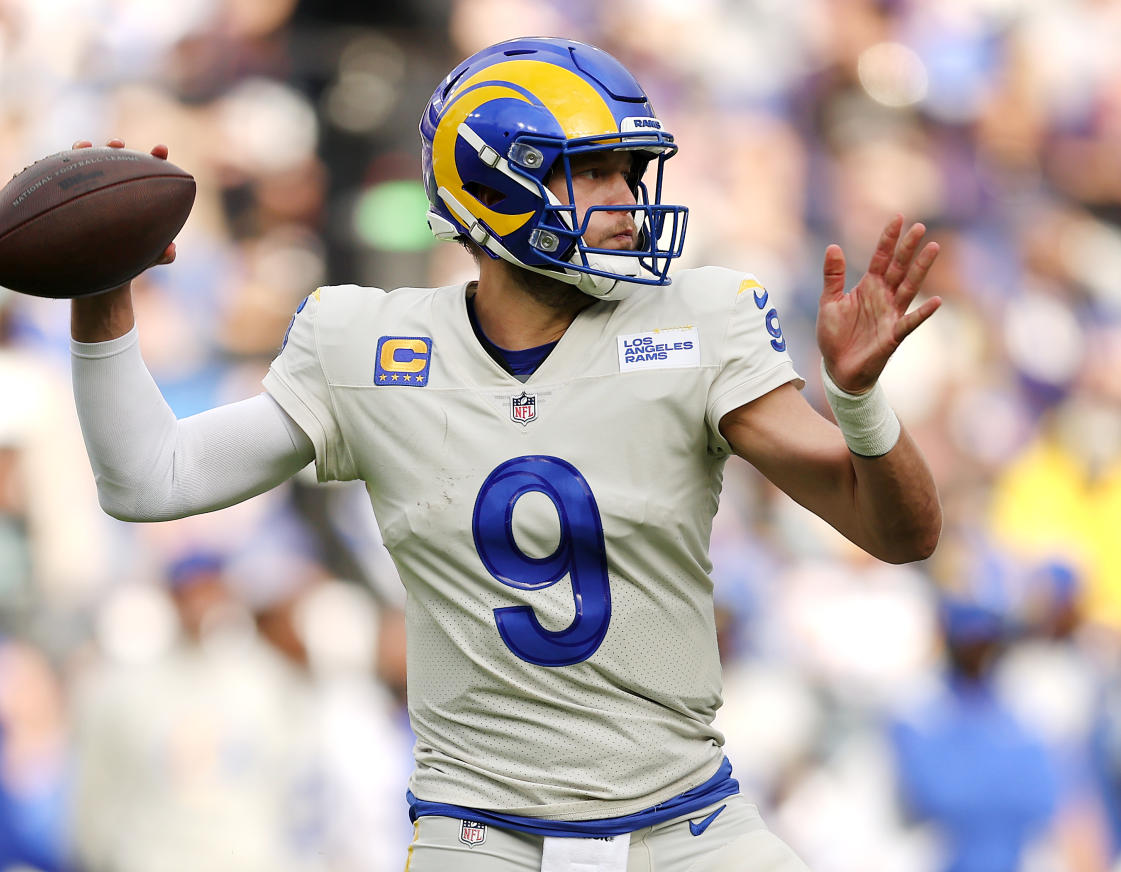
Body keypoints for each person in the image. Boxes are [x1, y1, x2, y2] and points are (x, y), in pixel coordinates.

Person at [67, 37, 941, 872]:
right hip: (482, 836)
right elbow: (153, 477)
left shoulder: (696, 323)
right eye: (593, 170)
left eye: (628, 173)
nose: (627, 200)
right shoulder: (364, 344)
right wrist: (103, 303)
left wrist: (857, 403)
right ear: (498, 182)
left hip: (687, 823)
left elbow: (900, 535)